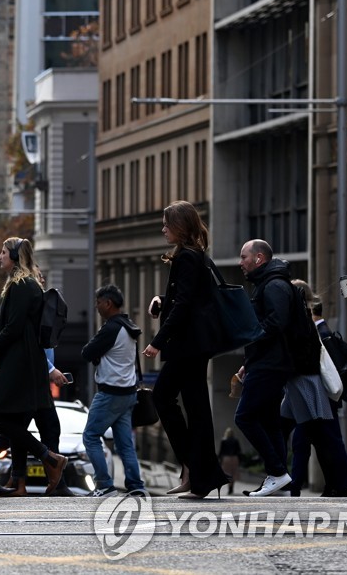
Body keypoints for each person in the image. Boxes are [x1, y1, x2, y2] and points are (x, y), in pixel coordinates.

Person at [142, 200, 227, 499]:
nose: (163, 228)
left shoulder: (187, 258)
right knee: (195, 407)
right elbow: (186, 300)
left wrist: (157, 341)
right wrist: (162, 302)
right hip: (194, 345)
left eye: (167, 224)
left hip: (188, 347)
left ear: (180, 226)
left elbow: (186, 305)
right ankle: (202, 474)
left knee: (164, 397)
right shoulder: (193, 256)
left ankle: (196, 469)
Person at [0, 237, 67, 496]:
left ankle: (50, 458)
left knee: (1, 419)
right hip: (22, 359)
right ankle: (18, 481)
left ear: (16, 256)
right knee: (15, 420)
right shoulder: (24, 283)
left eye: (4, 252)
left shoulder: (22, 285)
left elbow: (13, 328)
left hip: (20, 362)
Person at [279, 280, 347, 497]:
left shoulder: (311, 326)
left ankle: (329, 484)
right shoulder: (302, 320)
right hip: (307, 390)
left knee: (320, 440)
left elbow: (327, 363)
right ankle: (325, 484)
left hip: (316, 391)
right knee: (312, 439)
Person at [233, 239, 295, 497]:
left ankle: (278, 472)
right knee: (270, 422)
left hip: (271, 364)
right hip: (264, 362)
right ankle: (280, 481)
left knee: (244, 416)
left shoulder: (274, 285)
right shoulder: (267, 283)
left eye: (244, 257)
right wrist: (249, 362)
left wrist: (253, 337)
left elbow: (277, 321)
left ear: (259, 258)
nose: (240, 263)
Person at [81, 284, 145, 498]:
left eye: (98, 303)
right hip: (128, 393)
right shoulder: (129, 326)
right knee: (124, 443)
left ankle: (105, 484)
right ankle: (136, 485)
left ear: (108, 303)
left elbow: (87, 352)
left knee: (90, 436)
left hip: (110, 393)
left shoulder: (111, 328)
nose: (96, 307)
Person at [218, 429, 242, 495]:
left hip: (226, 458)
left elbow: (221, 451)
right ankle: (231, 488)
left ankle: (229, 488)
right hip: (234, 458)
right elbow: (239, 450)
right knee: (233, 473)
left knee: (228, 474)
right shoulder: (235, 440)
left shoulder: (223, 440)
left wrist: (220, 460)